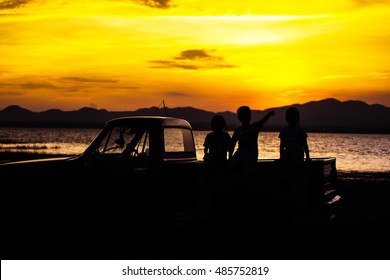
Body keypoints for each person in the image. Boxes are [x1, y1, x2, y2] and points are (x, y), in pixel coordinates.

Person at [230, 106, 275, 175]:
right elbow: (232, 145)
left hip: (251, 154)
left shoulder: (254, 127)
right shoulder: (238, 131)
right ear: (239, 117)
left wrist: (269, 114)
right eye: (243, 116)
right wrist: (230, 158)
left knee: (247, 168)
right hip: (240, 152)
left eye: (247, 115)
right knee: (232, 164)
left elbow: (262, 121)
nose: (245, 118)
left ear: (250, 117)